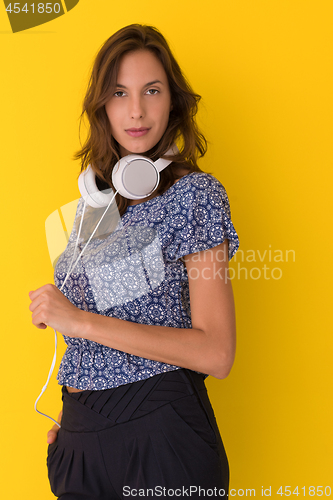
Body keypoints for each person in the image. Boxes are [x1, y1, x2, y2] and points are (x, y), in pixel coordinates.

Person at [29, 24, 239, 500]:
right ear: (102, 105)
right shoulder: (93, 205)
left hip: (161, 437)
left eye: (152, 90)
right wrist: (73, 428)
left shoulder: (197, 197)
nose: (137, 110)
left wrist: (80, 321)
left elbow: (217, 353)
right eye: (119, 93)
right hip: (79, 441)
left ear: (173, 101)